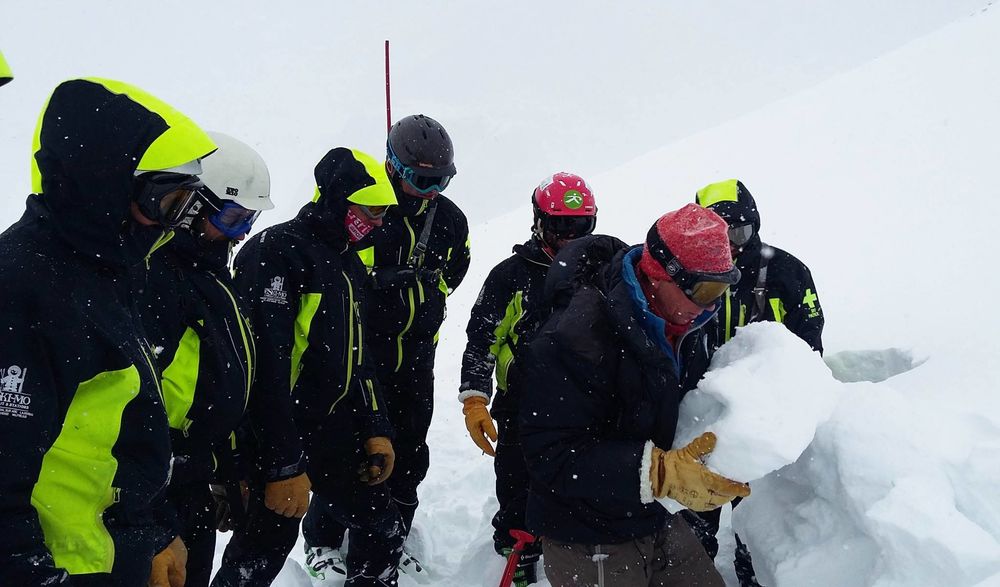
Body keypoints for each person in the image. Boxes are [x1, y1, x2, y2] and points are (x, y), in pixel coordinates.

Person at [0, 77, 215, 586]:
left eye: (187, 206)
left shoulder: (106, 270)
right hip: (62, 566)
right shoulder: (24, 287)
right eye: (166, 202)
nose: (172, 224)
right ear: (104, 183)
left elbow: (123, 429)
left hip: (110, 555)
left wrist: (153, 533)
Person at [518, 203, 751, 586]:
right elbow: (550, 454)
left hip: (652, 513)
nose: (711, 305)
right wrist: (657, 472)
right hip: (586, 530)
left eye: (722, 289)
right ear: (659, 274)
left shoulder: (688, 320)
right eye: (706, 289)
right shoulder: (574, 339)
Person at [214, 147, 400, 587]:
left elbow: (360, 356)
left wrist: (376, 425)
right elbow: (263, 366)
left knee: (383, 525)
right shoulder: (274, 253)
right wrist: (282, 465)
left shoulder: (350, 262)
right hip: (273, 433)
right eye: (369, 211)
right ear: (338, 199)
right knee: (259, 554)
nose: (377, 223)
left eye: (382, 214)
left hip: (331, 428)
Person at [302, 114, 470, 577]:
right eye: (422, 179)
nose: (432, 190)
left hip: (416, 358)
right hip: (360, 358)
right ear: (393, 166)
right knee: (353, 454)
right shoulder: (368, 211)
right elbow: (331, 259)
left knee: (410, 453)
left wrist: (420, 308)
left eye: (441, 180)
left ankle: (389, 537)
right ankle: (324, 539)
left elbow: (457, 270)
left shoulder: (451, 222)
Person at [137, 132, 272, 587]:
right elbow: (125, 411)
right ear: (190, 207)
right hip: (152, 485)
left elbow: (221, 385)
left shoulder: (213, 280)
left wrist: (228, 469)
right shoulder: (154, 279)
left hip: (191, 477)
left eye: (248, 221)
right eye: (232, 218)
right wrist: (148, 523)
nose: (240, 235)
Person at [459, 172, 597, 585]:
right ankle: (517, 548)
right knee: (518, 480)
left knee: (582, 481)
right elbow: (481, 338)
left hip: (586, 401)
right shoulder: (510, 276)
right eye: (561, 225)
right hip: (522, 402)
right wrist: (475, 399)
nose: (570, 237)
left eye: (581, 225)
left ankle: (580, 547)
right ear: (539, 221)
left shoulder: (602, 271)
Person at [692, 178, 824, 587]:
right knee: (694, 514)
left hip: (765, 418)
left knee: (759, 516)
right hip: (700, 413)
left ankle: (753, 573)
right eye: (718, 233)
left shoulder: (786, 273)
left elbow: (809, 349)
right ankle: (693, 572)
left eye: (740, 232)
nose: (731, 243)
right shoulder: (687, 271)